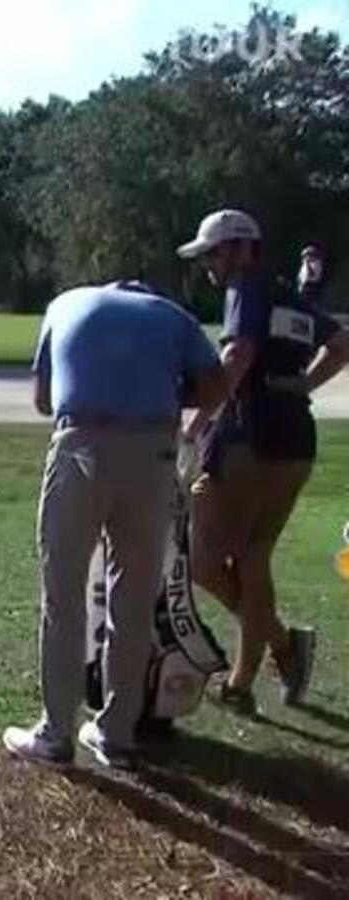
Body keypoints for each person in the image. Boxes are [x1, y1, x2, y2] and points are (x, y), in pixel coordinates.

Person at [4, 280, 225, 769]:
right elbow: (216, 385)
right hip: (152, 454)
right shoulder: (171, 312)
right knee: (134, 594)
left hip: (79, 445)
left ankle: (56, 735)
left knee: (63, 592)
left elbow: (43, 399)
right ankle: (115, 733)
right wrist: (165, 390)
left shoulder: (64, 302)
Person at [179, 213, 349, 713]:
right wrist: (300, 387)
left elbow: (238, 359)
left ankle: (279, 645)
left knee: (204, 561)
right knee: (253, 557)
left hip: (247, 441)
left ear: (238, 248)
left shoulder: (246, 289)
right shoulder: (287, 294)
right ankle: (247, 677)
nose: (209, 263)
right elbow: (339, 346)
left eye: (213, 252)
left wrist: (196, 422)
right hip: (296, 440)